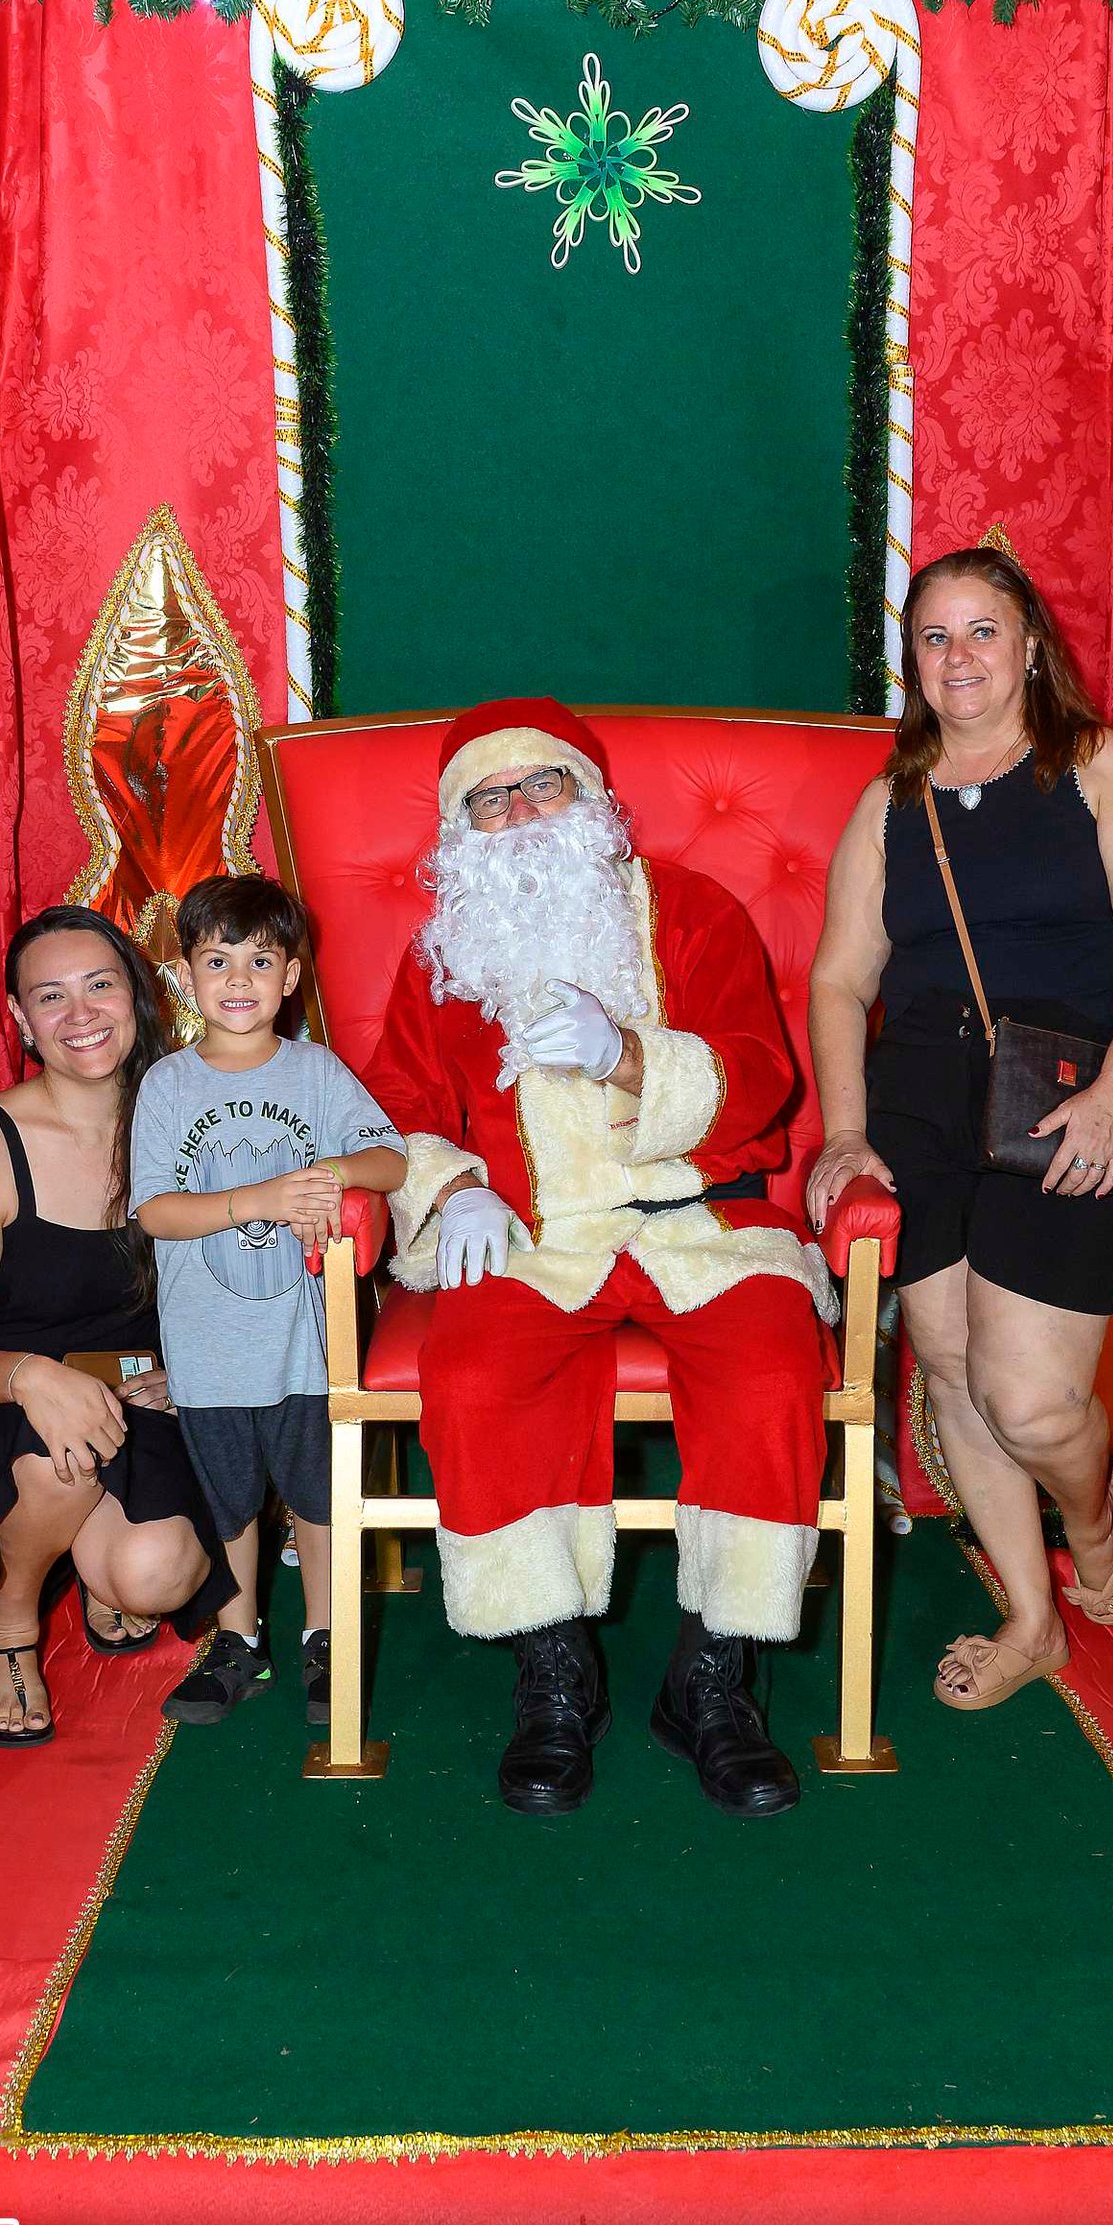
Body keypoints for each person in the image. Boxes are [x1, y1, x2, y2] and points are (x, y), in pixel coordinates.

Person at [364, 697, 836, 1819]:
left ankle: (711, 1677)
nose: (522, 813)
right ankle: (552, 1672)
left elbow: (763, 1078)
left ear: (593, 801)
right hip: (529, 1237)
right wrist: (452, 1189)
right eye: (490, 799)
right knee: (474, 1374)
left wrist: (626, 1054)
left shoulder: (692, 911)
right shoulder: (443, 958)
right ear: (459, 830)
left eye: (544, 785)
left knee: (774, 1371)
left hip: (697, 1222)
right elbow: (391, 1109)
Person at [805, 548, 1113, 1711]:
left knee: (1026, 1399)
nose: (958, 657)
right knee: (951, 1371)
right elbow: (839, 978)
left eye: (981, 631)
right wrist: (846, 1135)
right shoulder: (890, 804)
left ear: (1030, 645)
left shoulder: (1091, 767)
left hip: (1069, 1091)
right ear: (911, 660)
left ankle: (1095, 1512)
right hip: (918, 1102)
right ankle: (1031, 1622)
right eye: (933, 637)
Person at [0, 907, 235, 1747]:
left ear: (137, 993)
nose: (80, 1014)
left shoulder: (188, 1120)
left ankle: (86, 1559)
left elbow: (237, 1289)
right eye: (51, 996)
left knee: (154, 1577)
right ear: (21, 1017)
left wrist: (193, 1372)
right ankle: (7, 1619)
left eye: (99, 986)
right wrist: (30, 1378)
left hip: (135, 1401)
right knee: (58, 1450)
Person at [131, 875, 406, 1728]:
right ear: (186, 977)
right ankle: (238, 1640)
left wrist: (329, 1175)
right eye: (218, 961)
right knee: (228, 1504)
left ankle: (327, 1636)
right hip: (208, 1348)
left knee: (318, 1499)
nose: (239, 979)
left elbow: (390, 1157)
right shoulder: (167, 1085)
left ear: (290, 977)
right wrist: (259, 1199)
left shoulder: (317, 1072)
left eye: (260, 960)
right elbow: (156, 1211)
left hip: (301, 1345)